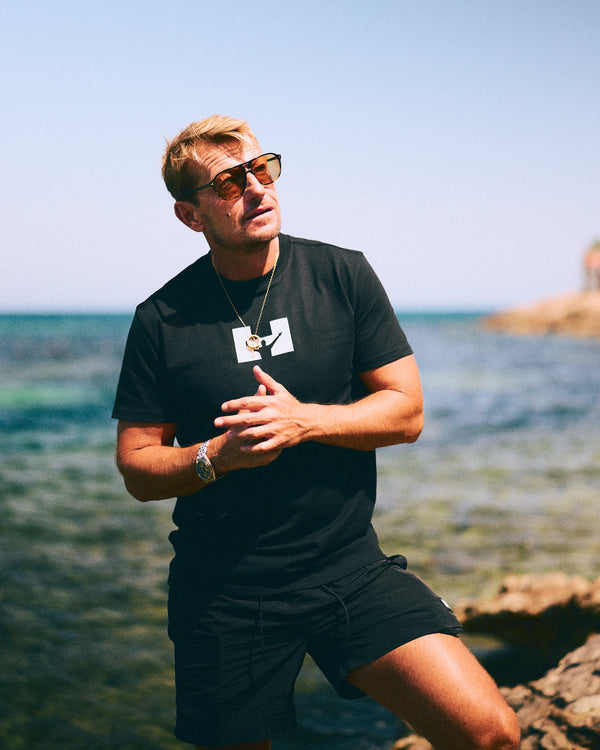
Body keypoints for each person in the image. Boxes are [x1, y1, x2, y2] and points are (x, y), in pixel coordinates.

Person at [113, 115, 520, 750]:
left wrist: (304, 420)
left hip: (348, 566)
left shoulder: (341, 275)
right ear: (189, 215)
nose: (256, 189)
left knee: (490, 734)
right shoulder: (162, 319)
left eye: (261, 169)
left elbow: (406, 412)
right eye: (228, 183)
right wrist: (218, 456)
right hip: (225, 590)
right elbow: (138, 467)